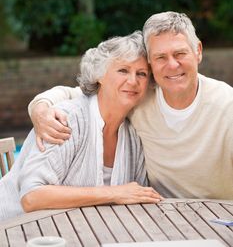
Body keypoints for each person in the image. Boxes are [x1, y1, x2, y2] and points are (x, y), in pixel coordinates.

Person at [29, 12, 233, 199]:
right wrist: (40, 107)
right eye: (160, 57)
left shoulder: (226, 105)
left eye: (180, 54)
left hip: (218, 218)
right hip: (162, 215)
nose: (172, 65)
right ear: (152, 63)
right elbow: (80, 95)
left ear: (198, 51)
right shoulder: (138, 96)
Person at [0, 31, 162, 222]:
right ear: (99, 75)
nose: (133, 81)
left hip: (82, 230)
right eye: (123, 70)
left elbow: (137, 196)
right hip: (15, 230)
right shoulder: (66, 120)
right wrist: (113, 193)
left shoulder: (133, 135)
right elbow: (32, 196)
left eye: (141, 74)